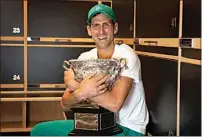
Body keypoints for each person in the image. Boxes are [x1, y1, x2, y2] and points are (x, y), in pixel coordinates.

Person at [30, 3, 149, 136]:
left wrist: (79, 86)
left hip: (127, 129)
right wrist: (80, 93)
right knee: (40, 131)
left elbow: (115, 104)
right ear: (89, 30)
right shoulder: (85, 58)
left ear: (115, 28)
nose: (101, 31)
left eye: (106, 25)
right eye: (96, 25)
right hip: (92, 125)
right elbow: (65, 104)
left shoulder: (127, 55)